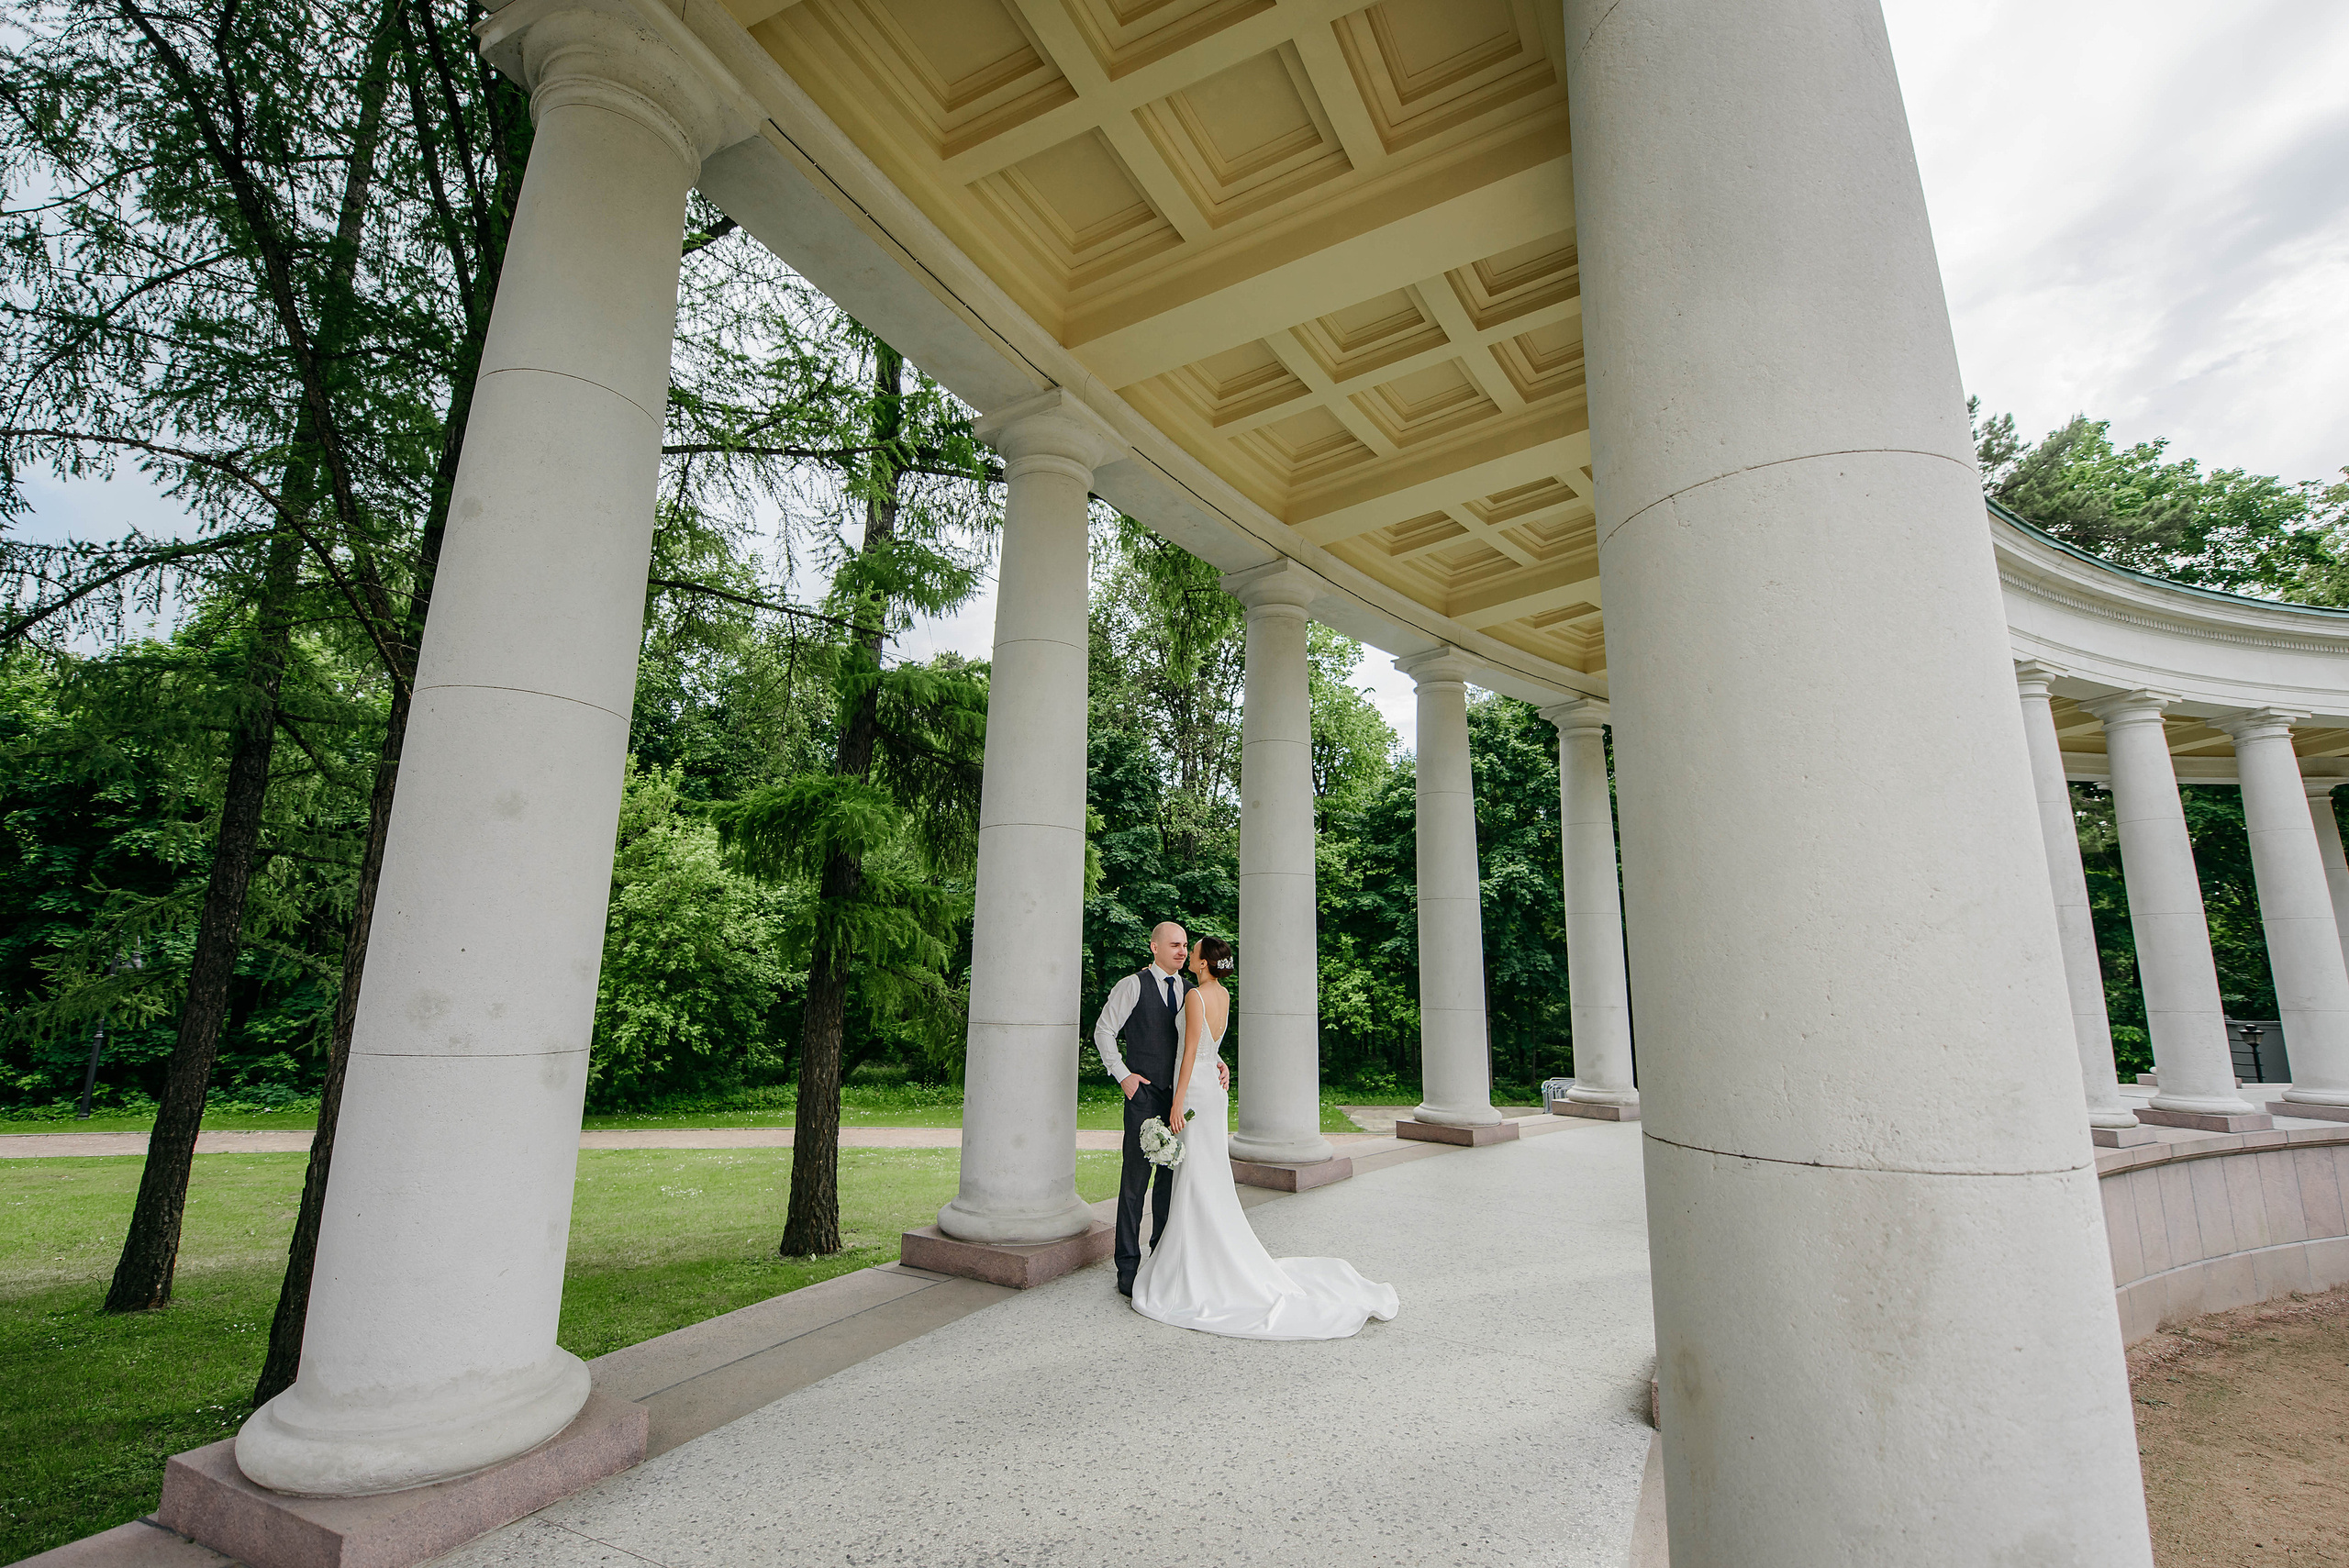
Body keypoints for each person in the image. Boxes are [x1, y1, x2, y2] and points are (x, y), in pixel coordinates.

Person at [1130, 936, 1399, 1340]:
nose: (1189, 953)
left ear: (1202, 963)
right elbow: (1210, 1046)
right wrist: (1220, 1064)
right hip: (1214, 1093)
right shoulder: (1221, 995)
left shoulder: (1193, 997)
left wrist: (1177, 1102)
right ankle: (1203, 1253)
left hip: (1196, 1092)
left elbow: (1189, 1053)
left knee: (1197, 1176)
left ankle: (1194, 1264)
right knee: (1206, 1173)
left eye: (1194, 949)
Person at [1092, 921, 1225, 1296]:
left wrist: (1217, 1062)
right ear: (1154, 947)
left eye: (1185, 946)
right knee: (1135, 1183)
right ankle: (1128, 1269)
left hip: (1181, 1101)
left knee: (1169, 1185)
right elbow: (1104, 1030)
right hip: (1144, 1096)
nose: (1182, 951)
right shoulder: (1132, 986)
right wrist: (1123, 1076)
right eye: (1174, 945)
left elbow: (1197, 1042)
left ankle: (1162, 1262)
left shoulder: (1191, 991)